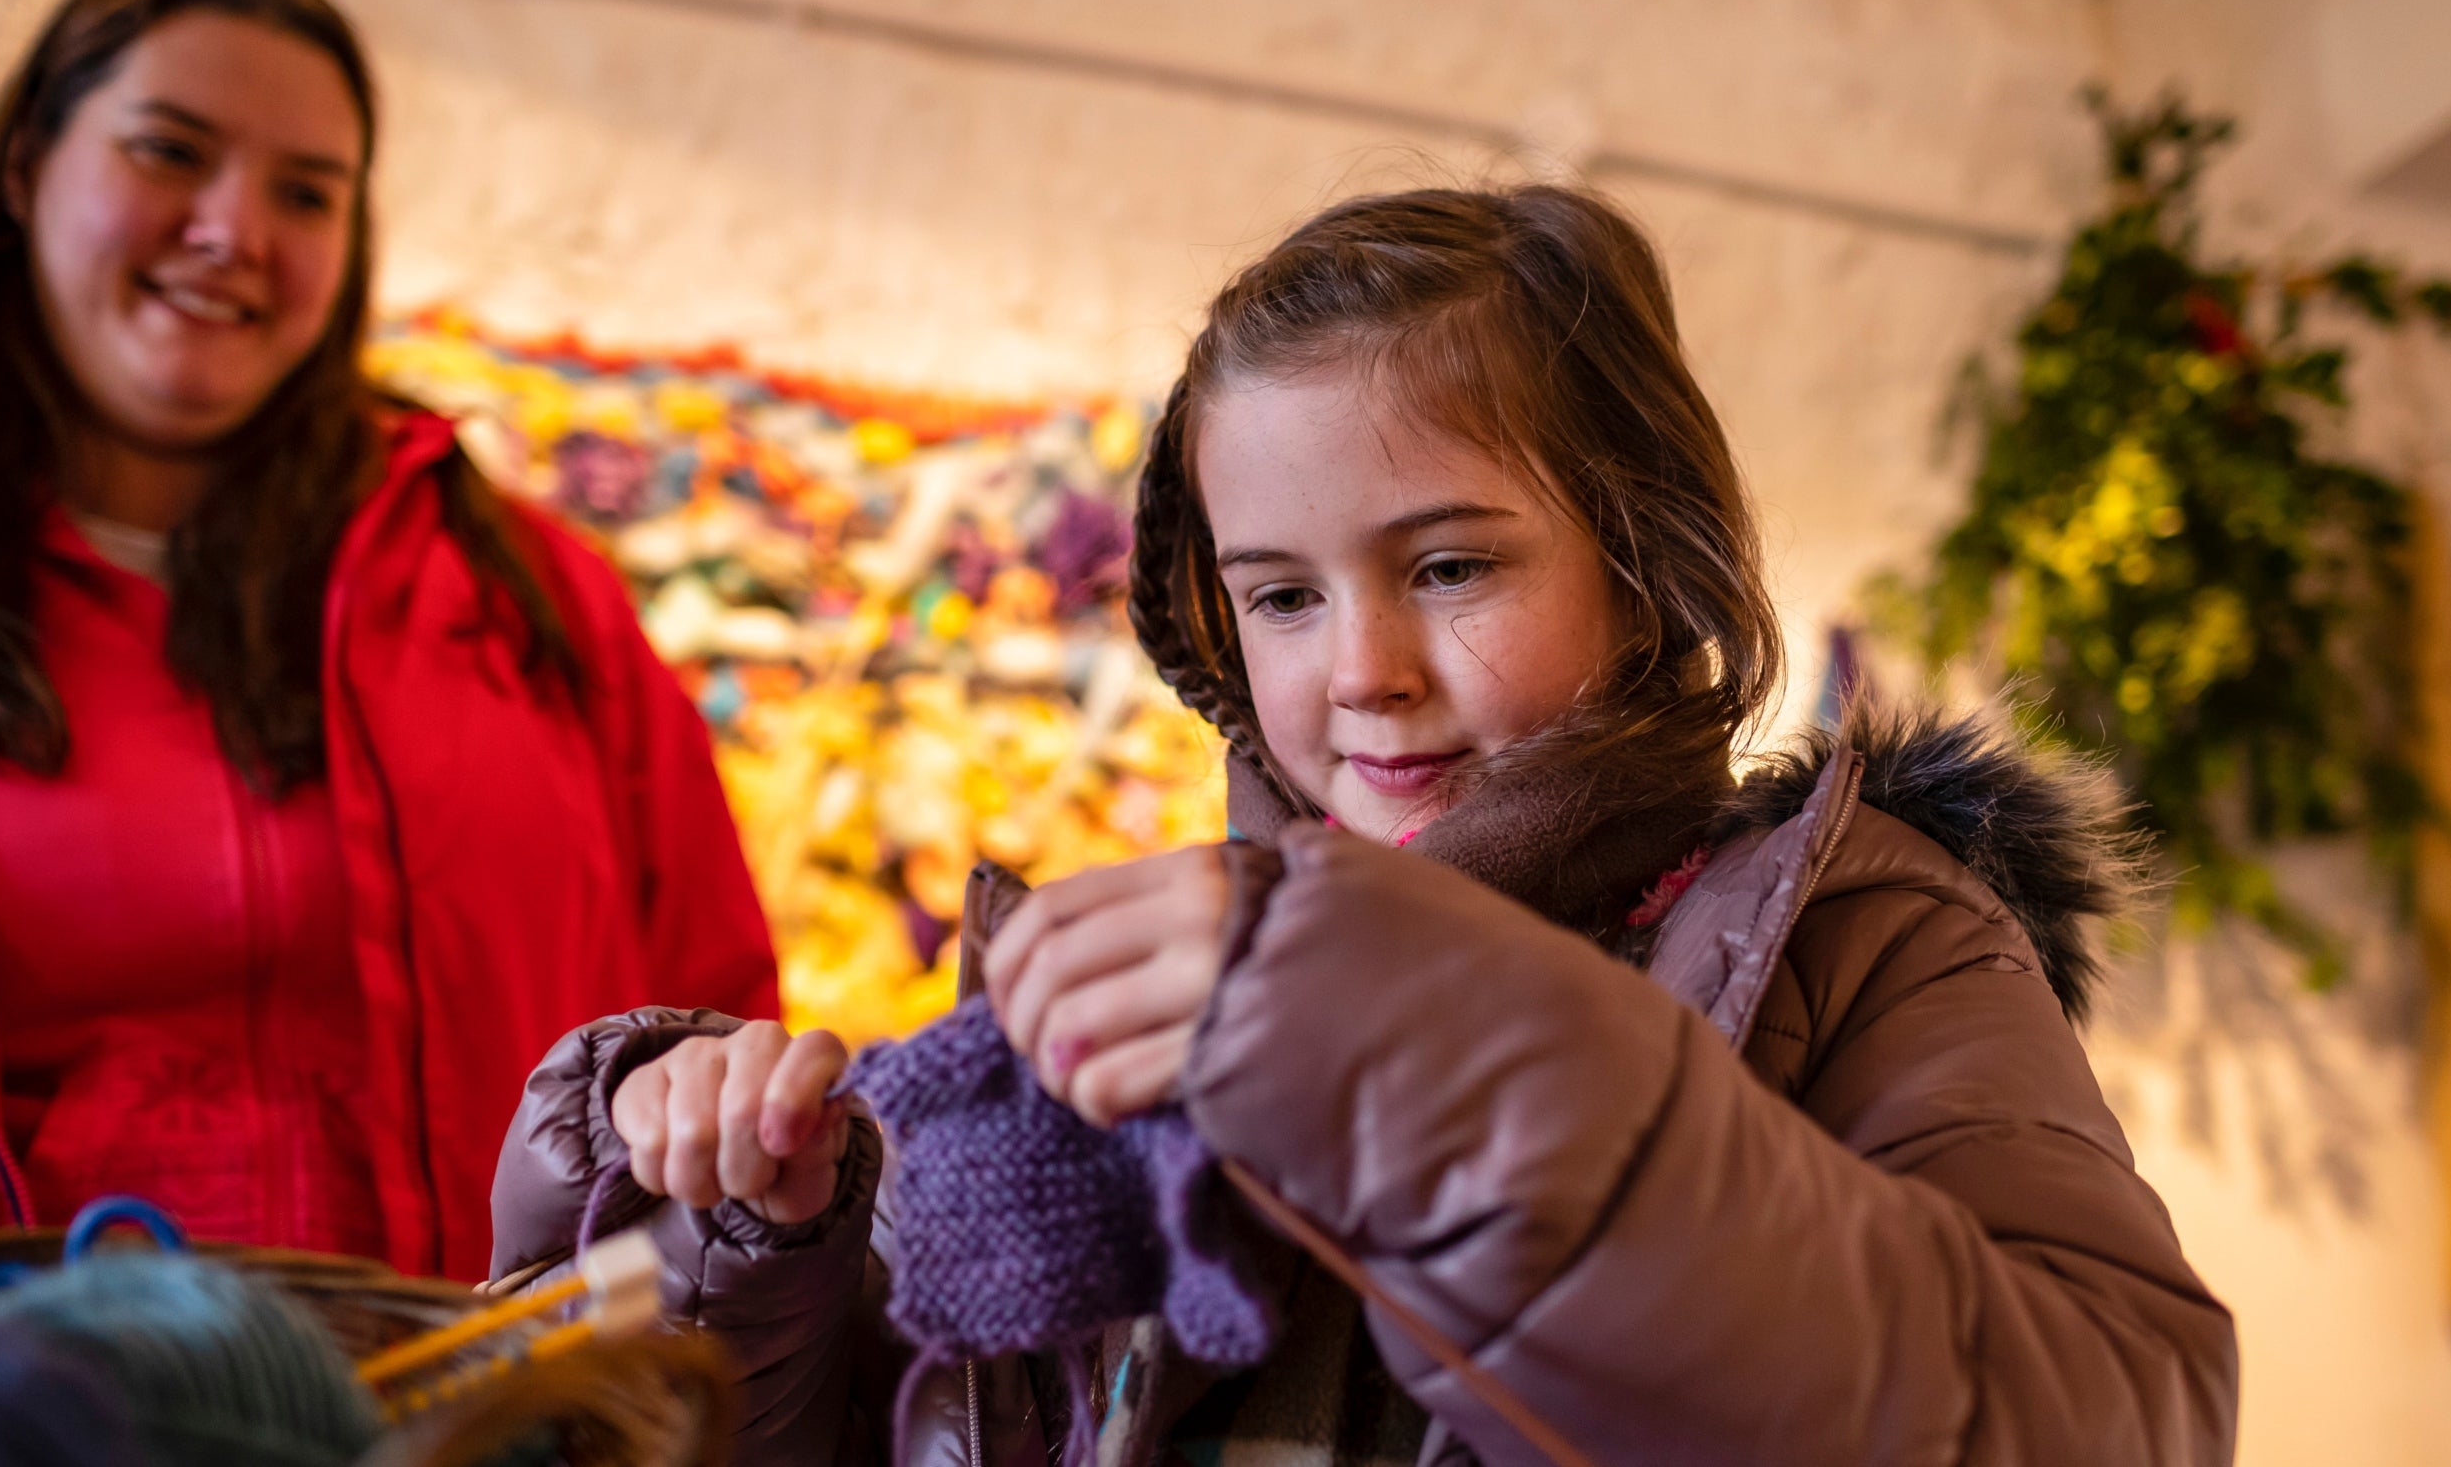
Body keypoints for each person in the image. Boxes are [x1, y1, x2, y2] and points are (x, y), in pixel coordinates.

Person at [492, 186, 2238, 1463]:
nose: (1365, 675)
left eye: (1453, 567)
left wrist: (1439, 1046)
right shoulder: (1146, 1005)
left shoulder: (1869, 934)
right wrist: (743, 1232)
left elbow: (2099, 1420)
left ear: (1642, 566)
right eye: (1283, 597)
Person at [0, 0, 778, 1282]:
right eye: (170, 151)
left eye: (306, 192)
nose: (234, 231)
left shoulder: (525, 593)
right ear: (29, 164)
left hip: (494, 1402)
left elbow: (717, 1026)